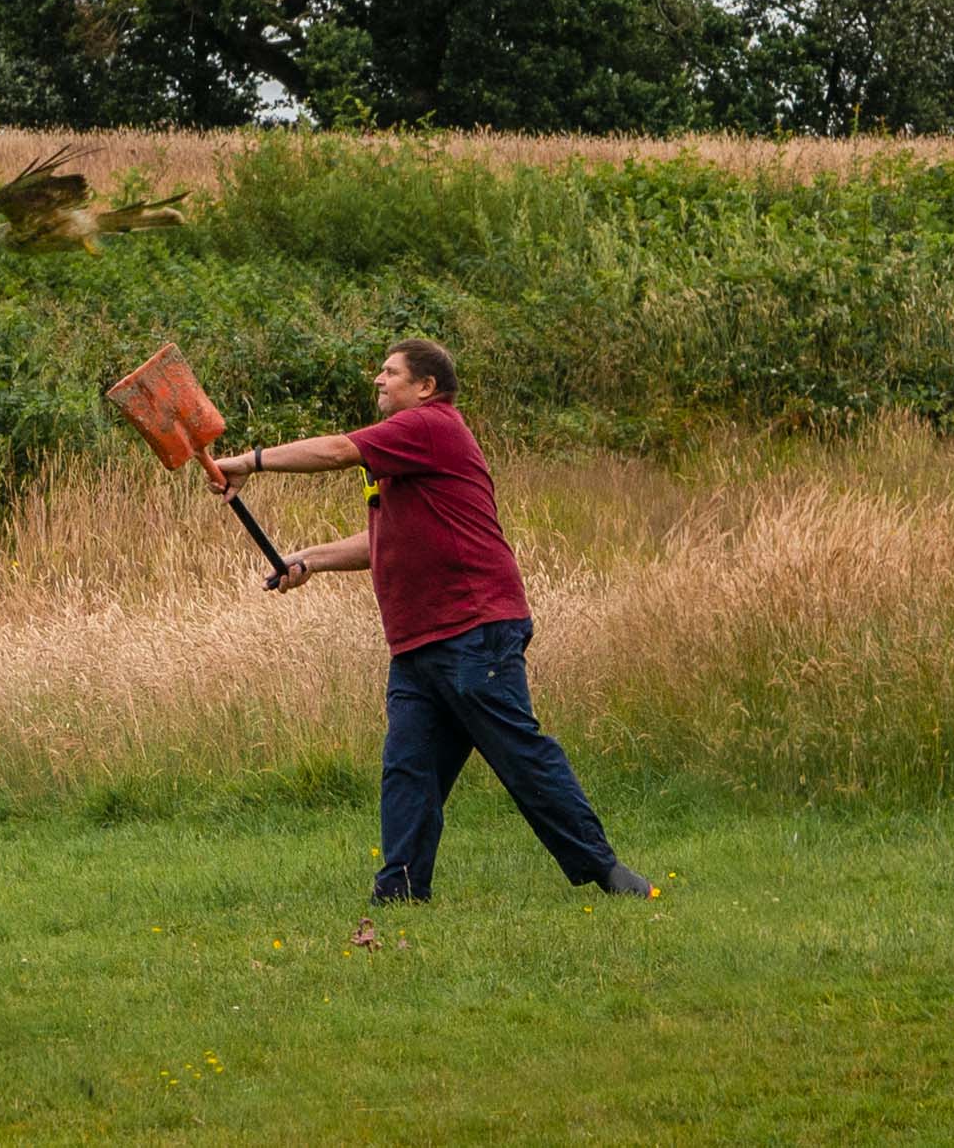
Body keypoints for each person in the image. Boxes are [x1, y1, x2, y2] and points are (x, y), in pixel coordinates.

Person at [222, 339, 655, 908]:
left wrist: (246, 462)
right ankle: (400, 891)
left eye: (390, 371)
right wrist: (309, 560)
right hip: (419, 642)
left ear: (425, 387)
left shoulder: (431, 425)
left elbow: (334, 452)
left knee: (520, 756)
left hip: (473, 630)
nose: (377, 379)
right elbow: (384, 540)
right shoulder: (403, 458)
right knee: (408, 769)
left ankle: (605, 871)